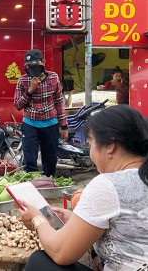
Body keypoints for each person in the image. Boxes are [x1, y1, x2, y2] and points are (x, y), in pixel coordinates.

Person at [19, 105, 148, 270]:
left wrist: (38, 220)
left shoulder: (108, 184)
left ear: (110, 145)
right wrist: (77, 220)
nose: (90, 152)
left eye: (90, 143)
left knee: (40, 261)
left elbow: (61, 252)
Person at [14, 49, 68, 177]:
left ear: (43, 62)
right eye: (29, 67)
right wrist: (30, 90)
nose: (33, 69)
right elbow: (17, 105)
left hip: (50, 123)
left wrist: (64, 126)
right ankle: (30, 184)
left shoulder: (54, 77)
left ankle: (48, 183)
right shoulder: (23, 80)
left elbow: (59, 103)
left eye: (35, 65)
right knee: (29, 159)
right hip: (30, 123)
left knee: (50, 159)